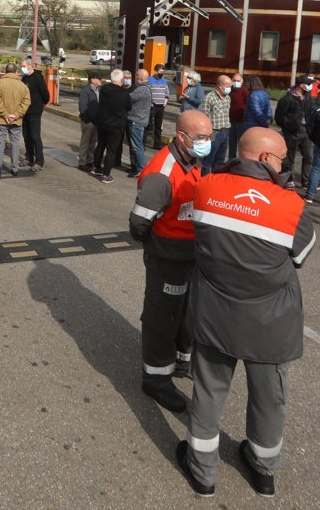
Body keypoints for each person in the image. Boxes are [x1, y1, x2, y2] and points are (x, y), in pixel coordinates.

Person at [177, 127, 315, 500]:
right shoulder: (290, 205)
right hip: (271, 322)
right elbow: (300, 257)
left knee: (208, 392)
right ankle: (262, 468)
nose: (286, 164)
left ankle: (202, 471)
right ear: (267, 159)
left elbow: (200, 232)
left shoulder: (206, 186)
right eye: (284, 158)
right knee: (269, 398)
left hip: (214, 313)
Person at [129, 110, 213, 414]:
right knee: (162, 317)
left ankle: (181, 360)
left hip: (191, 252)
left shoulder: (191, 159)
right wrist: (157, 246)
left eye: (209, 136)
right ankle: (156, 379)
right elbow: (139, 223)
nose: (207, 143)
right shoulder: (160, 173)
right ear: (181, 137)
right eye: (202, 138)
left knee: (187, 312)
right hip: (169, 255)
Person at [274, 76, 316, 188]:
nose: (311, 86)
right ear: (302, 85)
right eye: (309, 84)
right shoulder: (287, 99)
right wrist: (290, 126)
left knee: (309, 157)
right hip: (291, 133)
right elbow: (279, 118)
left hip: (306, 133)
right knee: (290, 158)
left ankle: (305, 181)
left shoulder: (308, 98)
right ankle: (289, 180)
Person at [93, 68, 131, 183]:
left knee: (100, 145)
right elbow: (129, 107)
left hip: (102, 123)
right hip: (116, 125)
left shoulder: (104, 89)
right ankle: (106, 175)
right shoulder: (124, 94)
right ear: (121, 80)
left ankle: (96, 167)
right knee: (111, 150)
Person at [0, 62, 30, 176]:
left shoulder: (0, 84)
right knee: (15, 143)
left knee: (0, 143)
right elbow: (26, 102)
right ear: (16, 72)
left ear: (6, 72)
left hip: (1, 118)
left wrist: (5, 114)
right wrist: (16, 115)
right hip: (16, 120)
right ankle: (15, 168)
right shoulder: (22, 86)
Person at [200, 73, 233, 172]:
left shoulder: (228, 98)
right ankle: (204, 180)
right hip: (214, 133)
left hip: (226, 131)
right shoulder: (209, 98)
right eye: (228, 86)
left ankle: (216, 180)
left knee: (220, 160)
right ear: (220, 86)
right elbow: (204, 116)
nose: (230, 88)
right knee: (208, 160)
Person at [21, 56, 48, 170]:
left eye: (23, 66)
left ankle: (39, 161)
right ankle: (29, 157)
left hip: (35, 112)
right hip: (24, 112)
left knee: (35, 136)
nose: (22, 68)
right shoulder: (24, 78)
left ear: (30, 66)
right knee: (26, 136)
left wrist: (41, 104)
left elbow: (45, 95)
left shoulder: (37, 78)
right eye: (21, 66)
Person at [126, 68, 152, 177]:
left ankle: (141, 168)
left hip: (137, 121)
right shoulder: (144, 88)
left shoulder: (142, 89)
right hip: (139, 120)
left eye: (136, 75)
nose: (134, 78)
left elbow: (129, 98)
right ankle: (138, 167)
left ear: (140, 77)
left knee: (137, 146)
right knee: (137, 145)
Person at [77, 73, 102, 173]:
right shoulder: (86, 91)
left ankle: (90, 161)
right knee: (85, 142)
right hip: (88, 121)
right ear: (92, 80)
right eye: (98, 78)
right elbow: (83, 108)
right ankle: (82, 162)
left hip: (96, 121)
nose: (100, 80)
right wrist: (89, 118)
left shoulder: (97, 91)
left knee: (92, 143)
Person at [227, 72, 249, 160]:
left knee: (241, 142)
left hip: (241, 121)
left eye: (238, 80)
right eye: (234, 80)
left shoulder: (244, 91)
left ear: (242, 81)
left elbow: (249, 104)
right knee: (232, 143)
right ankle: (231, 160)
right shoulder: (230, 90)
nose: (236, 82)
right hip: (231, 121)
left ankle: (241, 160)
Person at [149, 63, 170, 148]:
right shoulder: (150, 80)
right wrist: (150, 102)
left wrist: (165, 103)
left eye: (163, 71)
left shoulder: (164, 81)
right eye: (160, 71)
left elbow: (167, 93)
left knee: (158, 126)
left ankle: (157, 144)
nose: (162, 73)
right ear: (156, 71)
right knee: (149, 124)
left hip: (161, 106)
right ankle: (143, 142)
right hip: (153, 105)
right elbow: (148, 92)